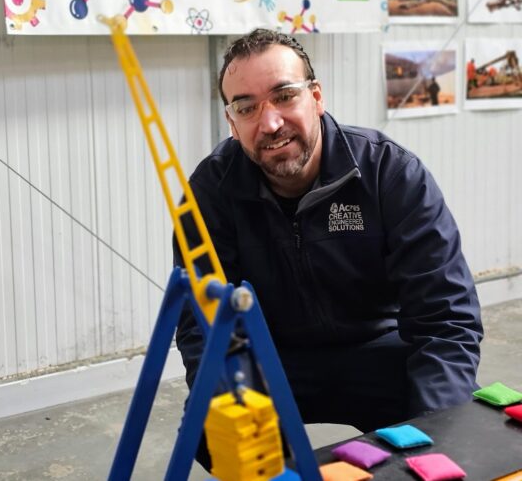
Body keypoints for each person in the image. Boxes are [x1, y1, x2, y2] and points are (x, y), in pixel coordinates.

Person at [175, 29, 482, 468]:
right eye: (247, 107)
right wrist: (238, 409)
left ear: (316, 97)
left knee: (451, 416)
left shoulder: (390, 174)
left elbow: (446, 318)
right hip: (272, 359)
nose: (270, 123)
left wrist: (433, 443)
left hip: (381, 347)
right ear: (232, 121)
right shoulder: (211, 190)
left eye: (284, 95)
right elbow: (200, 323)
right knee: (210, 427)